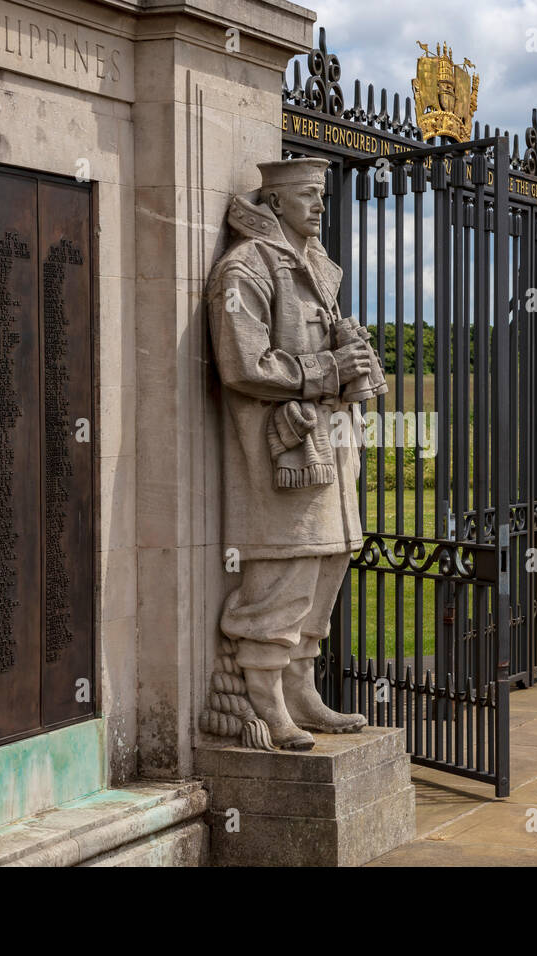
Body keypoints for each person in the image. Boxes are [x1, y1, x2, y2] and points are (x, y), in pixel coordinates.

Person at [205, 157, 382, 750]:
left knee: (329, 562)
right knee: (288, 569)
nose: (320, 205)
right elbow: (242, 363)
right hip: (282, 454)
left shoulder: (314, 268)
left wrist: (348, 353)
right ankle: (266, 700)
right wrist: (329, 367)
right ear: (275, 203)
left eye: (322, 196)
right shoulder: (246, 267)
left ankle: (302, 688)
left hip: (330, 448)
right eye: (308, 195)